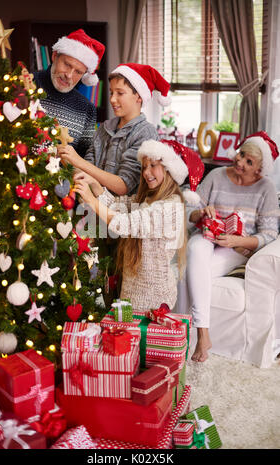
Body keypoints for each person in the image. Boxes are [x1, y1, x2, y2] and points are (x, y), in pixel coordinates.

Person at [178, 131, 280, 363]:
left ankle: (184, 336)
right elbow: (188, 212)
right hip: (205, 237)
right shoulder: (216, 175)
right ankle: (201, 334)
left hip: (236, 249)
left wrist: (237, 241)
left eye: (249, 162)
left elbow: (270, 234)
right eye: (241, 154)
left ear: (259, 170)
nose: (239, 162)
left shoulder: (266, 189)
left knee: (186, 274)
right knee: (194, 251)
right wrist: (200, 213)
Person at [72, 139, 199, 312]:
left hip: (154, 296)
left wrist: (91, 200)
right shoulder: (150, 198)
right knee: (127, 337)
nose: (146, 172)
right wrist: (94, 184)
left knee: (145, 337)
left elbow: (126, 223)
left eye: (153, 165)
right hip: (132, 289)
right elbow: (118, 206)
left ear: (170, 170)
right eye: (144, 167)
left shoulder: (171, 207)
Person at [58, 63, 172, 196]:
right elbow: (86, 169)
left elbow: (123, 186)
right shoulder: (104, 128)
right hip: (91, 207)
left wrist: (78, 160)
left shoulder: (145, 133)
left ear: (139, 97)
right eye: (112, 92)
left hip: (121, 213)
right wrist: (66, 159)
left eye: (120, 93)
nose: (112, 99)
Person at [34, 28, 105, 156]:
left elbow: (86, 157)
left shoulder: (86, 109)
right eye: (67, 65)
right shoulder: (26, 86)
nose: (69, 75)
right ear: (55, 56)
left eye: (78, 72)